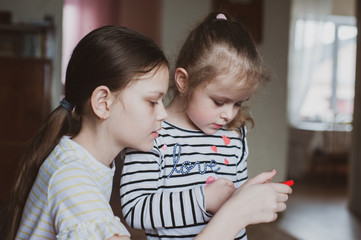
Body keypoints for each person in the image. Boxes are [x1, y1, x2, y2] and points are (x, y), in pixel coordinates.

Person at [120, 12, 292, 240]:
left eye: (238, 103)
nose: (228, 114)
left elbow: (235, 210)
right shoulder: (152, 133)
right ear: (184, 81)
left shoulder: (233, 134)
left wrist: (249, 195)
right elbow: (135, 210)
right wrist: (203, 200)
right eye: (219, 102)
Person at [5, 25, 169, 240]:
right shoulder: (71, 177)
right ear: (103, 103)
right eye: (152, 101)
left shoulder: (81, 160)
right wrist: (229, 213)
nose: (163, 113)